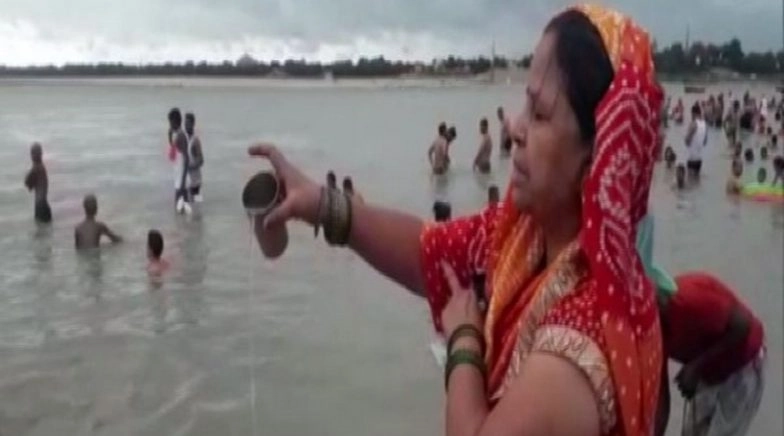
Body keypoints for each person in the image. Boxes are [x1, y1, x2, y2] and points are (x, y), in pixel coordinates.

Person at [248, 5, 664, 434]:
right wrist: (318, 203)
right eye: (526, 103)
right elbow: (427, 252)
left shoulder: (578, 348)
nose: (516, 128)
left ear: (597, 156)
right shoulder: (524, 234)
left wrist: (464, 343)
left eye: (540, 115)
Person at [656, 273, 765, 436]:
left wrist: (695, 368)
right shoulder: (652, 333)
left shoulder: (690, 300)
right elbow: (661, 399)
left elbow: (742, 325)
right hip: (708, 373)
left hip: (742, 365)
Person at [168, 108, 191, 214]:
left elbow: (186, 158)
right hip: (178, 174)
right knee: (179, 207)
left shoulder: (181, 136)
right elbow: (173, 150)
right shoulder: (176, 134)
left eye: (170, 122)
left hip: (182, 176)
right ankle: (185, 228)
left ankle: (187, 228)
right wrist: (169, 135)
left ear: (175, 121)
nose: (169, 124)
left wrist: (182, 181)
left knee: (180, 206)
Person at [24, 142, 51, 224]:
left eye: (32, 153)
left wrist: (30, 184)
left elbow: (27, 183)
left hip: (40, 205)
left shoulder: (36, 168)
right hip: (44, 204)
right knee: (44, 231)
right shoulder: (41, 167)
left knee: (40, 233)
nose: (31, 156)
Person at [184, 113, 205, 203]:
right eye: (185, 124)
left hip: (195, 181)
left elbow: (201, 161)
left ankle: (199, 215)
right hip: (188, 180)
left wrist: (189, 166)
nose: (186, 126)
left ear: (193, 124)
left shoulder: (195, 141)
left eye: (188, 124)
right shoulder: (185, 139)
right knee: (191, 205)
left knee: (195, 203)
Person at [685, 103, 708, 179]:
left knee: (690, 182)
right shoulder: (705, 124)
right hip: (699, 159)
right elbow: (705, 142)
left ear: (694, 113)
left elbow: (687, 141)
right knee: (697, 180)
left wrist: (686, 139)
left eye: (691, 114)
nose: (691, 116)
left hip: (692, 159)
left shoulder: (693, 124)